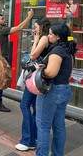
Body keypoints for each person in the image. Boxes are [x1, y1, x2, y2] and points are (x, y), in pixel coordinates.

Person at [35, 23, 76, 156]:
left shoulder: (57, 51)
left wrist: (41, 70)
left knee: (43, 126)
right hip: (64, 89)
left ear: (58, 37)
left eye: (51, 33)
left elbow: (51, 72)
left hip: (51, 91)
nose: (48, 35)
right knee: (59, 126)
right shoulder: (68, 51)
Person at [15, 18, 51, 152]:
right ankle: (33, 139)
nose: (34, 29)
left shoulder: (44, 39)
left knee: (24, 104)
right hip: (38, 78)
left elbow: (33, 55)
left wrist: (35, 40)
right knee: (34, 108)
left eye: (35, 27)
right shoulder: (44, 38)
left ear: (41, 27)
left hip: (36, 79)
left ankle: (27, 140)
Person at [0, 9, 34, 112]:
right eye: (2, 18)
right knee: (2, 80)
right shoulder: (2, 29)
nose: (4, 20)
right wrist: (29, 17)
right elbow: (19, 27)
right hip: (1, 59)